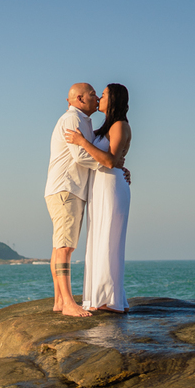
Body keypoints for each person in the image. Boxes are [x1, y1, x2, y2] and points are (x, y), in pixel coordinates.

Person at [65, 83, 131, 313]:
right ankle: (99, 297)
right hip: (99, 187)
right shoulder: (106, 126)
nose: (99, 98)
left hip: (112, 187)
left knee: (109, 241)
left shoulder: (120, 125)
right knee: (98, 239)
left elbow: (111, 160)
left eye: (103, 95)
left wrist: (82, 142)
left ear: (113, 100)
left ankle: (110, 299)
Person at [44, 83, 102, 316]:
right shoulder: (72, 120)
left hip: (66, 188)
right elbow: (80, 155)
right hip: (66, 189)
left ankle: (60, 300)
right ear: (79, 98)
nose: (96, 97)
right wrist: (109, 162)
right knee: (65, 247)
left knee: (60, 246)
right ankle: (67, 303)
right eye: (92, 94)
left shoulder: (83, 121)